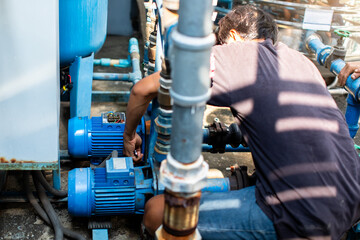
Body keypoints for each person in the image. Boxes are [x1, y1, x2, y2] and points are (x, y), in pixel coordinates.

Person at [123, 5, 360, 240]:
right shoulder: (301, 61)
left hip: (304, 216)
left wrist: (129, 136)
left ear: (234, 36)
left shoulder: (235, 54)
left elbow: (142, 90)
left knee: (156, 211)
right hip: (351, 199)